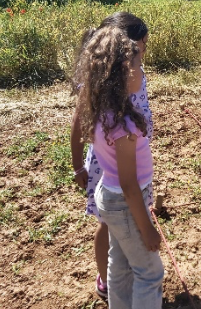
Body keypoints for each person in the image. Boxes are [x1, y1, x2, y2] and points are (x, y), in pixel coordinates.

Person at [73, 26, 164, 308]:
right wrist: (147, 229)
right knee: (149, 272)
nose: (142, 70)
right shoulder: (123, 126)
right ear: (123, 71)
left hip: (108, 196)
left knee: (119, 264)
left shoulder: (103, 112)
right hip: (125, 202)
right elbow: (128, 185)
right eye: (137, 64)